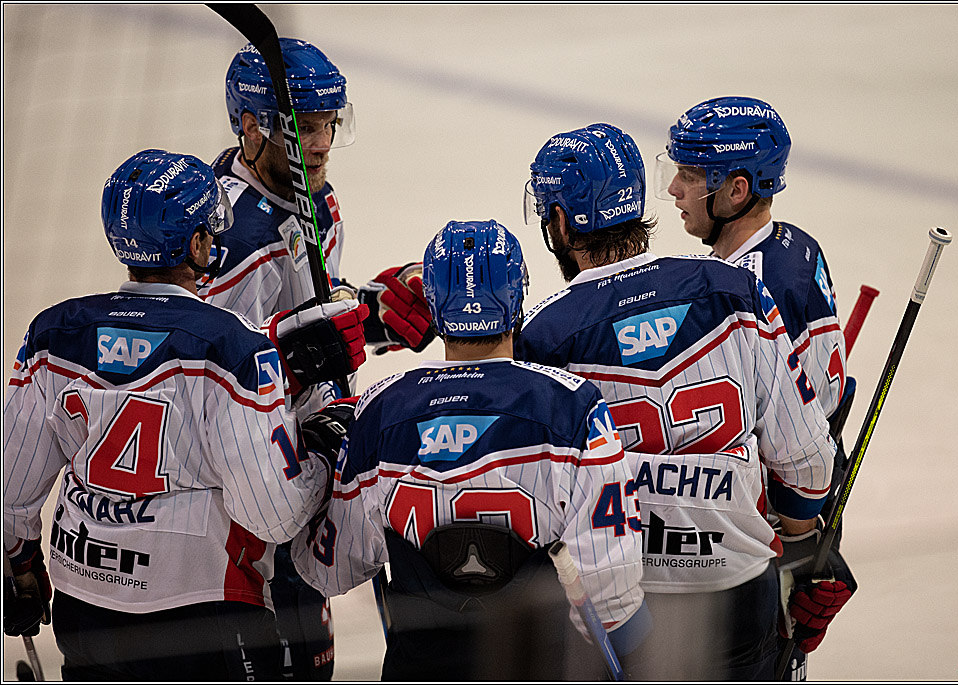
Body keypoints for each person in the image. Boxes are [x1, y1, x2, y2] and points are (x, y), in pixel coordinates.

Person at [1, 150, 366, 680]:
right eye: (209, 233)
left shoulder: (54, 333)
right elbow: (272, 514)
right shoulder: (232, 348)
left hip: (87, 603)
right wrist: (319, 454)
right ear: (196, 245)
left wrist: (19, 558)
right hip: (199, 611)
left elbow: (13, 485)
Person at [515, 122, 836, 680]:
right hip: (737, 592)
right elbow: (806, 458)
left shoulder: (544, 332)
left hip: (620, 613)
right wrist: (807, 558)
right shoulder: (733, 288)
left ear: (560, 222)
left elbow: (534, 500)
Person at [292, 220, 651, 680]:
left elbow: (328, 572)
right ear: (517, 296)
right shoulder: (573, 406)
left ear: (436, 305)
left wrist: (319, 450)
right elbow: (609, 592)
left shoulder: (381, 410)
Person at [204, 37, 435, 679]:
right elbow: (203, 383)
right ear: (250, 129)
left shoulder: (315, 201)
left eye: (328, 124)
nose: (321, 143)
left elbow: (313, 320)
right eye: (302, 128)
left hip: (299, 456)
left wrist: (374, 315)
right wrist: (302, 351)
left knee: (313, 658)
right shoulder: (228, 237)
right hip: (241, 498)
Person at [655, 97, 857, 679]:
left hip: (765, 538)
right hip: (794, 513)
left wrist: (798, 549)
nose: (673, 189)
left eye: (690, 176)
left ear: (736, 189)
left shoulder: (748, 290)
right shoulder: (793, 244)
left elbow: (790, 441)